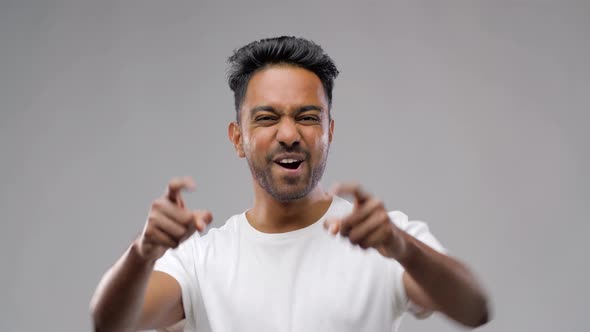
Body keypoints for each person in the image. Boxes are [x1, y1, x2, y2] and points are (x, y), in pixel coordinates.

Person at [90, 36, 490, 332]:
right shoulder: (200, 260)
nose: (288, 134)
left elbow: (474, 309)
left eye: (307, 117)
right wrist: (143, 252)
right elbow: (110, 323)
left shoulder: (383, 240)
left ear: (329, 131)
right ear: (237, 138)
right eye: (266, 118)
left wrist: (403, 249)